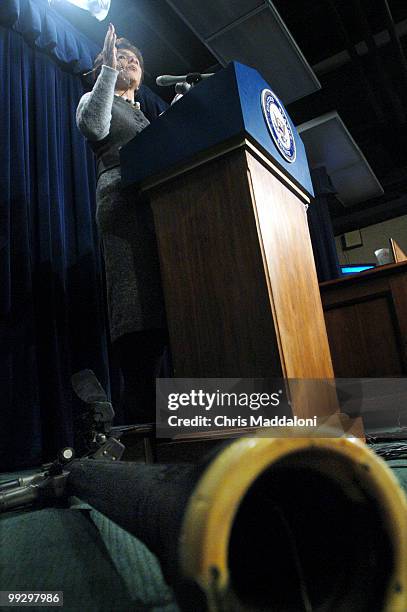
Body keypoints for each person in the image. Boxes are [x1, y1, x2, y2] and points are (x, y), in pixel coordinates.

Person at [76, 24, 168, 423]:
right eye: (122, 56)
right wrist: (109, 75)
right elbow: (93, 127)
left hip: (160, 208)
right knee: (137, 310)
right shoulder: (96, 99)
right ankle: (139, 428)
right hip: (123, 207)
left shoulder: (146, 115)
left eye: (136, 60)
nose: (131, 61)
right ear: (106, 65)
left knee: (164, 312)